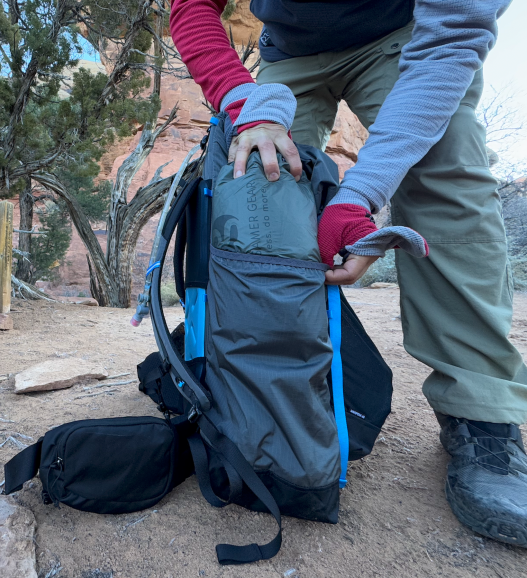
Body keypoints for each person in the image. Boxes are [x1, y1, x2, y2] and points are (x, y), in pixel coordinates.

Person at [170, 0, 527, 547]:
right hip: (288, 50)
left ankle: (481, 414)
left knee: (444, 172)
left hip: (404, 36)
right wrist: (248, 105)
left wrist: (358, 196)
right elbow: (192, 6)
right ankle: (261, 395)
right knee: (255, 187)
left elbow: (454, 31)